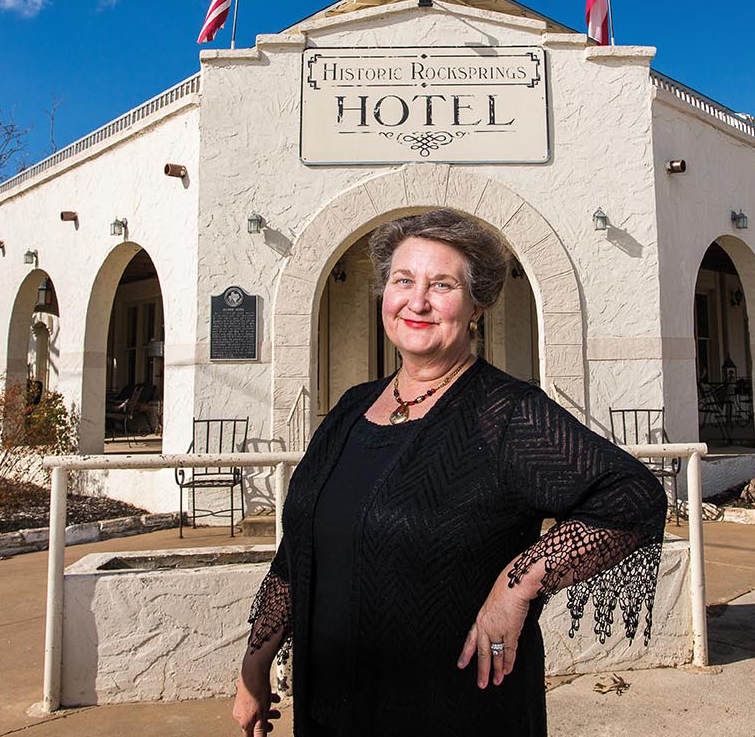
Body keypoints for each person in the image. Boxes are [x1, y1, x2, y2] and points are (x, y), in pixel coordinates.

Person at [233, 209, 667, 737]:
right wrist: (256, 663)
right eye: (403, 280)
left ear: (477, 305)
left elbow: (633, 497)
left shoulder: (505, 414)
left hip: (456, 711)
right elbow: (299, 548)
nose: (417, 301)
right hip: (333, 709)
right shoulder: (350, 409)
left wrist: (518, 584)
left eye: (442, 284)